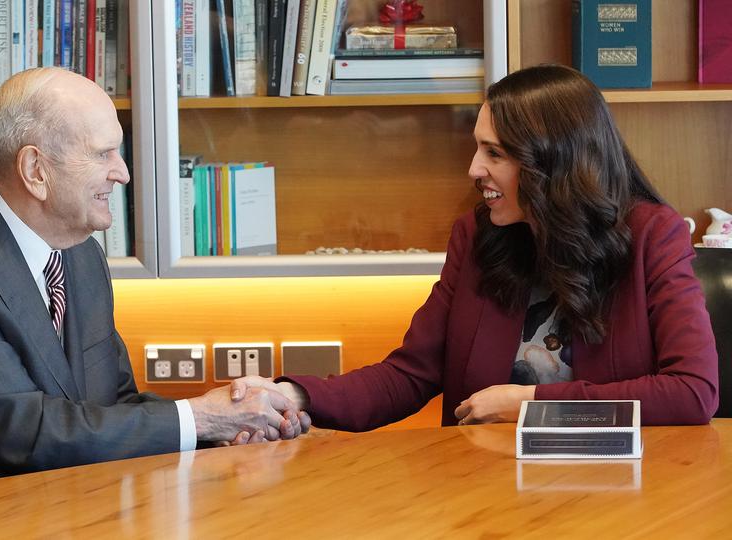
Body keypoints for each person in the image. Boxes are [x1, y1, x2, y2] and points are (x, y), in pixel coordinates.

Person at [0, 67, 307, 496]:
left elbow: (114, 406)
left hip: (75, 508)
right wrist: (203, 417)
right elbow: (29, 434)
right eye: (104, 154)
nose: (122, 173)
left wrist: (239, 418)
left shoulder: (80, 254)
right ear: (35, 170)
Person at [230, 64, 719, 430]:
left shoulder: (654, 235)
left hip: (620, 493)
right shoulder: (477, 234)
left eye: (496, 153)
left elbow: (692, 393)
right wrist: (295, 396)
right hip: (479, 488)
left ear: (555, 163)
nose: (474, 169)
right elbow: (407, 375)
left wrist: (531, 404)